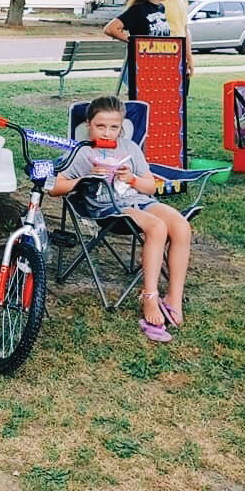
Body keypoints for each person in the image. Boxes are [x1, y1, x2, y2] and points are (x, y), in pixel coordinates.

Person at [50, 96, 191, 343]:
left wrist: (132, 179)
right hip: (108, 210)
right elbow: (55, 187)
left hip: (139, 200)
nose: (107, 132)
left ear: (121, 127)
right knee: (157, 227)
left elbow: (150, 187)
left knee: (181, 226)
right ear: (88, 124)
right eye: (100, 126)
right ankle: (148, 297)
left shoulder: (130, 148)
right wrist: (85, 178)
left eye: (114, 127)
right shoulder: (81, 152)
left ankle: (173, 298)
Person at [160, 0, 195, 79]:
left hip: (180, 59)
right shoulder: (158, 1)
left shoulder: (183, 0)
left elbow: (185, 30)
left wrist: (189, 57)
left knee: (181, 96)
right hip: (163, 59)